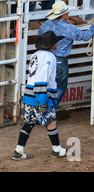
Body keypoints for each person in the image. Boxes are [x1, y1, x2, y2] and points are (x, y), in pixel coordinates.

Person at [11, 31, 68, 160]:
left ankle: (19, 151)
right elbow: (43, 77)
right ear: (53, 45)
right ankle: (56, 149)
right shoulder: (49, 57)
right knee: (51, 121)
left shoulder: (35, 55)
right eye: (56, 42)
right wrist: (43, 100)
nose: (58, 43)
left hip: (30, 95)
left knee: (29, 123)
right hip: (40, 95)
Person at [38, 1, 94, 105]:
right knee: (60, 87)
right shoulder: (69, 28)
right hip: (59, 59)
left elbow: (40, 32)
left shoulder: (46, 24)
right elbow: (86, 36)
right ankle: (49, 110)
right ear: (64, 14)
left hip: (46, 57)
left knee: (47, 85)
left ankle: (43, 108)